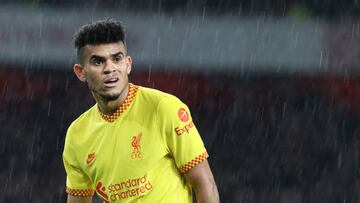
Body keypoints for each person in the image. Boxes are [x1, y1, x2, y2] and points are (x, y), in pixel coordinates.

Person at [62, 19, 219, 203]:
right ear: (81, 72)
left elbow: (205, 183)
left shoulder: (163, 108)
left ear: (128, 64)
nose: (110, 68)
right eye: (98, 62)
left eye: (117, 58)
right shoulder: (77, 134)